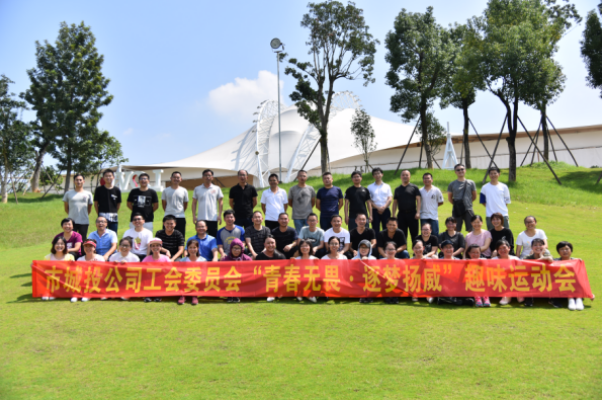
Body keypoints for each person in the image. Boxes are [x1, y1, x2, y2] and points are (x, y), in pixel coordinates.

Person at [435, 240, 475, 307]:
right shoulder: (438, 262)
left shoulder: (458, 261)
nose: (449, 249)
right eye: (446, 247)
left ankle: (447, 300)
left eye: (450, 247)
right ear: (442, 249)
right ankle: (460, 301)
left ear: (453, 249)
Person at [521, 238, 554, 308]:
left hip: (544, 280)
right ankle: (529, 298)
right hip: (532, 280)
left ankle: (552, 298)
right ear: (532, 247)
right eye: (535, 245)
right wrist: (542, 259)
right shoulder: (527, 257)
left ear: (544, 247)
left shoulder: (547, 255)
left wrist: (541, 256)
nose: (538, 247)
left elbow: (550, 259)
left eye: (540, 245)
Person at [191, 169, 224, 238]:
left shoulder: (217, 188)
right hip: (201, 218)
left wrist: (219, 215)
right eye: (205, 175)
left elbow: (220, 201)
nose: (207, 177)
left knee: (213, 237)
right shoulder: (197, 189)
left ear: (212, 177)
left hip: (213, 218)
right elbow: (194, 203)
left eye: (209, 175)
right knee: (200, 237)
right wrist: (194, 216)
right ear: (202, 177)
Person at [41, 237, 76, 301]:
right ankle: (49, 292)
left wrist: (73, 265)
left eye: (62, 244)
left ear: (65, 245)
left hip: (65, 282)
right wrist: (35, 266)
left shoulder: (70, 257)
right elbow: (44, 271)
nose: (59, 246)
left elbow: (74, 272)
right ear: (54, 245)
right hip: (53, 282)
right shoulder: (47, 257)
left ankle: (72, 294)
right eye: (57, 243)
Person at [392, 170, 422, 242]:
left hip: (412, 214)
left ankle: (415, 249)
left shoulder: (414, 187)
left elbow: (418, 200)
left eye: (407, 175)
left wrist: (418, 212)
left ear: (410, 176)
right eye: (403, 175)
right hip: (401, 215)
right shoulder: (397, 189)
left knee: (414, 235)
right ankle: (403, 249)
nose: (405, 176)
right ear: (400, 177)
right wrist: (393, 214)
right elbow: (395, 202)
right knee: (402, 235)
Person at [554, 241, 583, 311]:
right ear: (558, 252)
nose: (565, 251)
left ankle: (579, 299)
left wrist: (589, 294)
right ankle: (570, 299)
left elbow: (582, 278)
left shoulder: (576, 261)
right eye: (562, 249)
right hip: (561, 285)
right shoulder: (555, 261)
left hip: (574, 285)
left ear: (571, 250)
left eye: (567, 249)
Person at [447, 163, 477, 233]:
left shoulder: (471, 183)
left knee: (471, 229)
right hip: (457, 209)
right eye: (458, 170)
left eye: (462, 169)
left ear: (465, 170)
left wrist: (467, 202)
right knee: (456, 229)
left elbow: (474, 196)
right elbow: (450, 198)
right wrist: (457, 204)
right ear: (455, 172)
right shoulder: (452, 184)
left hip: (468, 209)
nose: (460, 171)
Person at [220, 238, 251, 303]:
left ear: (241, 249)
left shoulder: (247, 259)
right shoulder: (225, 260)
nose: (236, 250)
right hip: (229, 281)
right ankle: (230, 295)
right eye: (234, 248)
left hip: (242, 280)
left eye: (238, 248)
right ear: (231, 249)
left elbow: (250, 272)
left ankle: (237, 295)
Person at [62, 173, 93, 239]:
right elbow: (66, 208)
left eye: (80, 180)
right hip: (71, 222)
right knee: (72, 239)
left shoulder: (88, 194)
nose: (78, 181)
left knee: (83, 239)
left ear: (83, 181)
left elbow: (89, 208)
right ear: (74, 181)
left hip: (84, 221)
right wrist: (72, 215)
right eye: (77, 180)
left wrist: (83, 215)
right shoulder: (68, 193)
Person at [75, 239, 107, 303]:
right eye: (86, 246)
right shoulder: (80, 260)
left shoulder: (100, 258)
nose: (88, 248)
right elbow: (78, 274)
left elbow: (103, 273)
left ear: (94, 248)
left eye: (90, 246)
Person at [178, 239, 206, 306]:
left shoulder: (203, 260)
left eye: (194, 247)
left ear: (198, 248)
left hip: (198, 281)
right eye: (190, 247)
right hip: (185, 282)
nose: (192, 249)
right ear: (187, 249)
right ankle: (183, 295)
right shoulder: (183, 260)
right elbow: (180, 273)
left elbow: (204, 273)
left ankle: (194, 295)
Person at [492, 239, 520, 306]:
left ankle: (518, 293)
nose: (502, 250)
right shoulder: (494, 260)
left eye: (504, 248)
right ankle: (507, 296)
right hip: (499, 282)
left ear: (509, 248)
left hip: (514, 281)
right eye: (500, 248)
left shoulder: (515, 259)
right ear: (497, 250)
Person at [161, 171, 189, 237]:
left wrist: (180, 211)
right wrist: (168, 212)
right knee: (166, 236)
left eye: (178, 177)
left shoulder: (184, 190)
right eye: (174, 177)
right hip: (168, 216)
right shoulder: (165, 190)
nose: (176, 179)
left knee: (180, 236)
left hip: (180, 217)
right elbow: (164, 204)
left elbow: (185, 204)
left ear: (181, 179)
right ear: (171, 178)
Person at [143, 238, 171, 302]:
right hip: (150, 281)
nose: (155, 247)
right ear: (151, 248)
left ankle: (158, 295)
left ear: (160, 247)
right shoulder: (146, 259)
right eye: (153, 246)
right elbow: (142, 271)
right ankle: (148, 295)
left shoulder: (166, 258)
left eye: (157, 245)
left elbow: (170, 270)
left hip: (162, 281)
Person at [93, 169, 122, 233]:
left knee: (113, 234)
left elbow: (118, 204)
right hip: (102, 216)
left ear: (113, 177)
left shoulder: (117, 190)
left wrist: (113, 212)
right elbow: (96, 204)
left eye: (110, 176)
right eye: (106, 176)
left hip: (113, 217)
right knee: (101, 234)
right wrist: (99, 214)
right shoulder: (99, 190)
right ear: (103, 178)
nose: (108, 177)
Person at [367, 167, 392, 233]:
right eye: (375, 174)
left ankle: (386, 240)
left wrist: (384, 207)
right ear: (373, 176)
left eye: (378, 173)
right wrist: (378, 208)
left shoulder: (387, 186)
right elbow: (369, 201)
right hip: (375, 211)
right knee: (375, 229)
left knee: (387, 229)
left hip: (386, 210)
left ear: (382, 174)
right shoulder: (370, 187)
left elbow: (390, 198)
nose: (377, 175)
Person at [419, 173, 444, 237]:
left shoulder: (436, 190)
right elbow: (418, 202)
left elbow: (441, 202)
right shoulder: (420, 191)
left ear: (432, 180)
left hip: (434, 216)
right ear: (423, 180)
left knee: (435, 234)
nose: (426, 180)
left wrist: (434, 206)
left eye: (428, 178)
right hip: (423, 216)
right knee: (424, 234)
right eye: (425, 178)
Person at [294, 239, 318, 303]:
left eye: (306, 245)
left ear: (310, 247)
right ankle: (302, 293)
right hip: (299, 282)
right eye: (302, 246)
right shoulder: (296, 260)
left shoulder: (315, 259)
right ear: (299, 248)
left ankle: (305, 294)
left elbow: (319, 273)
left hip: (311, 282)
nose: (304, 248)